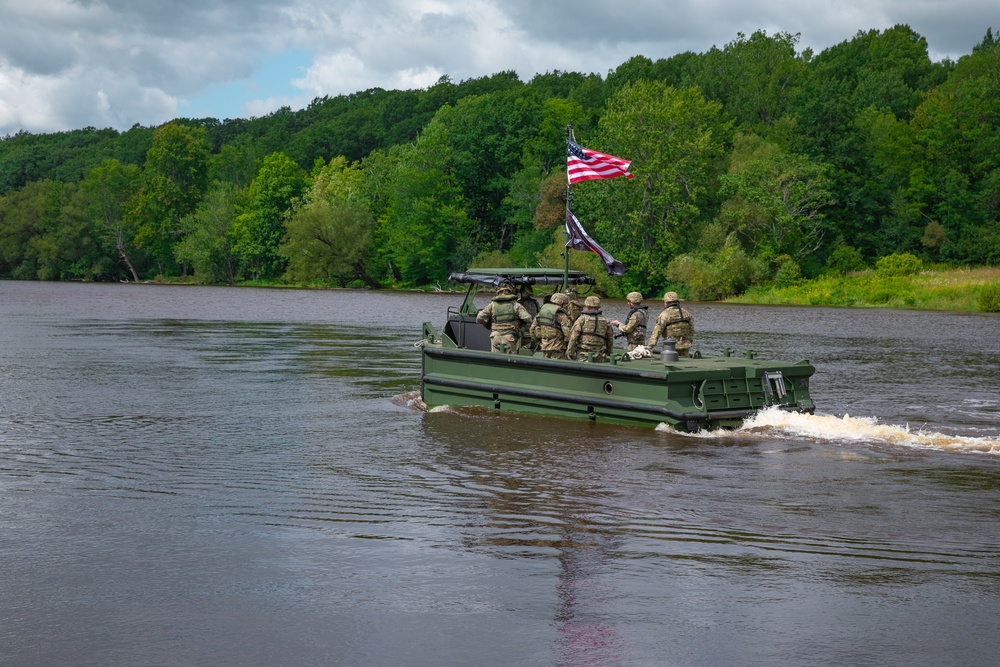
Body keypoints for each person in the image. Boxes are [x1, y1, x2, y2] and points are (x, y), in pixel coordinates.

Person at [476, 280, 533, 354]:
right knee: (510, 360)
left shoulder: (492, 305)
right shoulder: (515, 305)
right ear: (510, 291)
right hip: (509, 337)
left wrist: (488, 324)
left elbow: (479, 318)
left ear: (498, 291)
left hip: (495, 337)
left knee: (495, 359)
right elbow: (528, 318)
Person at [566, 295, 615, 362]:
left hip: (583, 353)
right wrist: (609, 353)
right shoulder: (605, 320)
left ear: (587, 307)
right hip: (599, 354)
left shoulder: (582, 319)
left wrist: (570, 352)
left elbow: (574, 337)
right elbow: (610, 338)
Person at [647, 291, 694, 357]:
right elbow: (691, 330)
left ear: (666, 302)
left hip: (670, 347)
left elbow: (657, 332)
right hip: (685, 346)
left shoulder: (665, 314)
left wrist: (649, 347)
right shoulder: (686, 313)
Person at [530, 292, 574, 359]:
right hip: (558, 348)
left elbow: (532, 329)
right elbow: (568, 335)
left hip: (544, 346)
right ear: (562, 303)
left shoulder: (542, 313)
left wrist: (538, 342)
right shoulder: (562, 315)